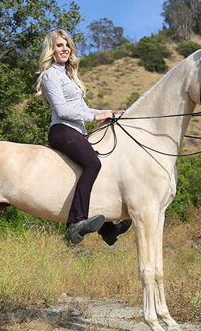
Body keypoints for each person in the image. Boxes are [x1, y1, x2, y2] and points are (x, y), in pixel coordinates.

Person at [36, 29, 132, 245]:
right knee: (92, 164)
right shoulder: (51, 74)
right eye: (60, 45)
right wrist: (97, 115)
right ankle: (74, 225)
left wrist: (111, 112)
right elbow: (61, 110)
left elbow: (82, 108)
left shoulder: (68, 76)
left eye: (67, 45)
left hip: (78, 131)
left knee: (99, 167)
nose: (65, 49)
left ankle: (107, 228)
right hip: (62, 131)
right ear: (51, 50)